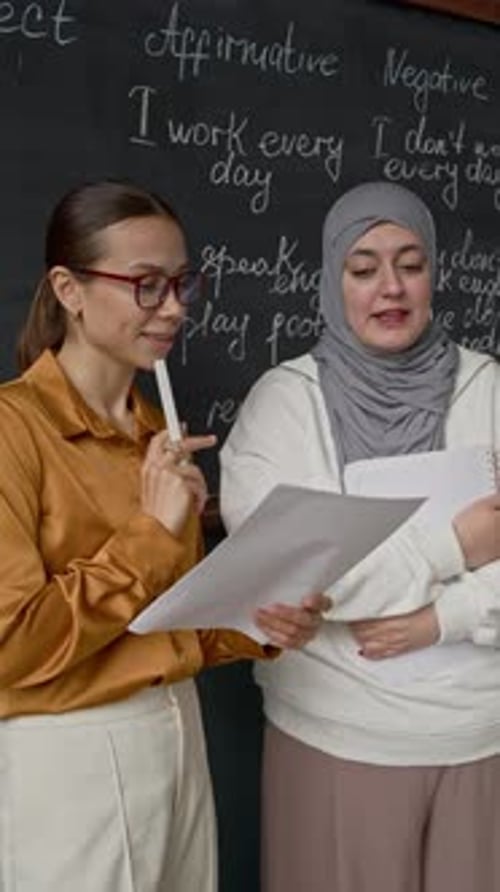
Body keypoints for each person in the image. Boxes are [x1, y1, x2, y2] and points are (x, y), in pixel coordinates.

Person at [0, 179, 329, 892]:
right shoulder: (11, 431)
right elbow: (11, 647)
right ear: (69, 288)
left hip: (177, 737)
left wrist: (255, 622)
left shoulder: (159, 431)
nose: (175, 307)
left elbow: (161, 629)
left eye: (182, 283)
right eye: (146, 285)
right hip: (68, 759)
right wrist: (151, 533)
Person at [220, 181, 500, 892]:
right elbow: (289, 569)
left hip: (485, 740)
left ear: (434, 271)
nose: (391, 288)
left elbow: (332, 565)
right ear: (331, 279)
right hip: (337, 738)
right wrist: (453, 548)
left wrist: (444, 618)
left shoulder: (489, 388)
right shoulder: (284, 403)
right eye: (363, 267)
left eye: (411, 263)